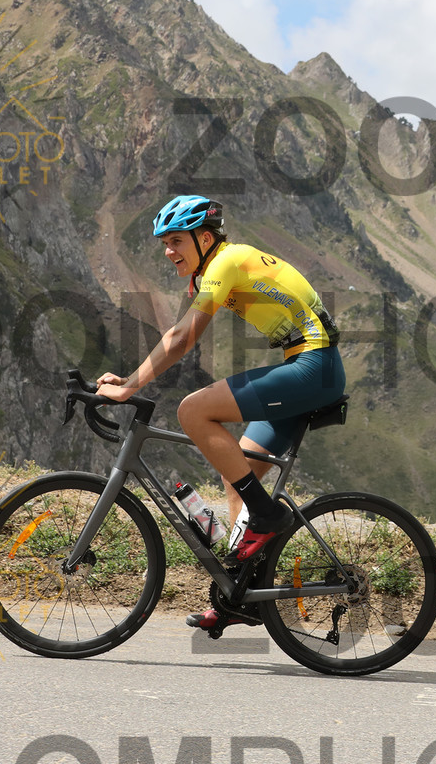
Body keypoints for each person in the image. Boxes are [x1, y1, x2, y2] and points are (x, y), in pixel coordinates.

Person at [96, 195, 344, 630]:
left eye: (176, 241)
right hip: (305, 364)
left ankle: (268, 517)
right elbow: (177, 332)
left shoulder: (226, 262)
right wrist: (129, 380)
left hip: (314, 366)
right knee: (238, 473)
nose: (168, 251)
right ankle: (243, 595)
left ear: (205, 239)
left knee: (193, 411)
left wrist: (130, 386)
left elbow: (182, 339)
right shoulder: (211, 270)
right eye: (165, 244)